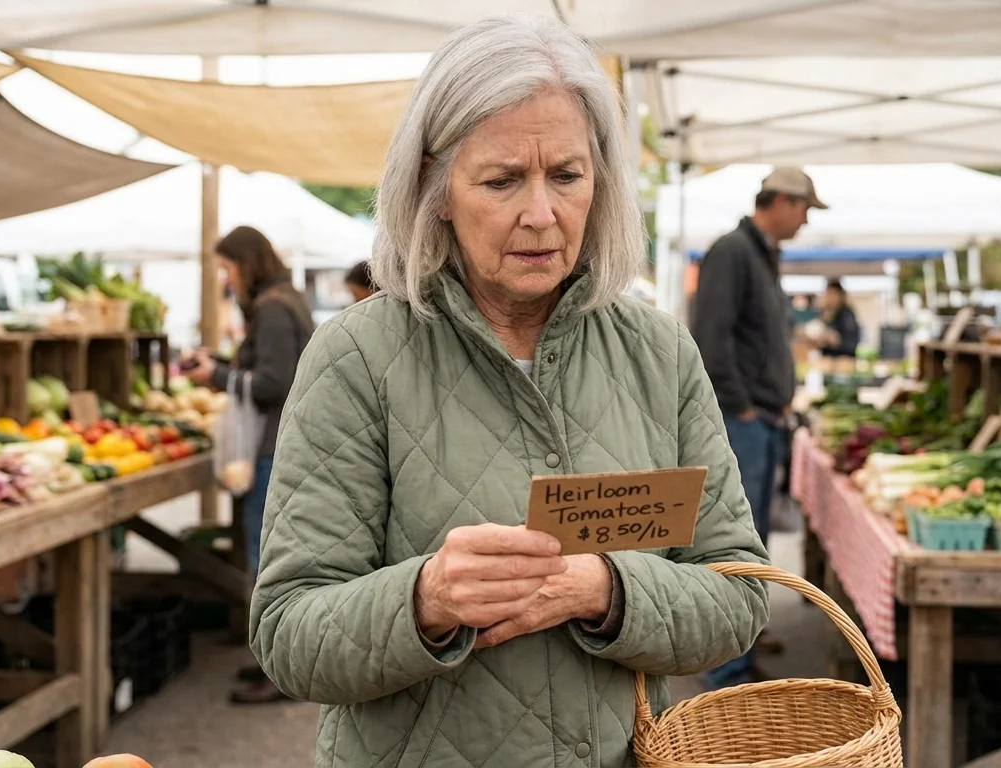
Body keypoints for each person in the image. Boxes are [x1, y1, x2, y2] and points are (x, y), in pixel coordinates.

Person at [248, 17, 770, 768]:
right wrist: (424, 600)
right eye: (501, 180)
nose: (541, 213)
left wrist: (608, 589)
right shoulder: (358, 356)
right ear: (437, 189)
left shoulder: (659, 353)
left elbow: (739, 597)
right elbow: (289, 634)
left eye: (567, 174)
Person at [690, 165, 825, 688]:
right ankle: (726, 669)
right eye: (806, 209)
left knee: (753, 539)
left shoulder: (759, 254)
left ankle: (742, 637)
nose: (806, 220)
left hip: (761, 419)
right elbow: (711, 337)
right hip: (740, 420)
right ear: (783, 201)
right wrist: (742, 406)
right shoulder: (733, 251)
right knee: (732, 542)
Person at [183, 224, 314, 705]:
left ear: (245, 262)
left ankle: (279, 673)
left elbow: (272, 384)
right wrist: (217, 362)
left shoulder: (273, 309)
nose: (225, 278)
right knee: (273, 556)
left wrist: (216, 375)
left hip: (272, 448)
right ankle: (274, 664)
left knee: (268, 563)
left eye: (226, 267)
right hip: (281, 444)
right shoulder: (285, 300)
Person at [816, 279, 860, 358]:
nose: (828, 297)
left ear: (840, 295)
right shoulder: (823, 313)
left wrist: (836, 340)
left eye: (831, 294)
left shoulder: (846, 314)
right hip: (828, 359)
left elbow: (850, 343)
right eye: (827, 294)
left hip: (844, 359)